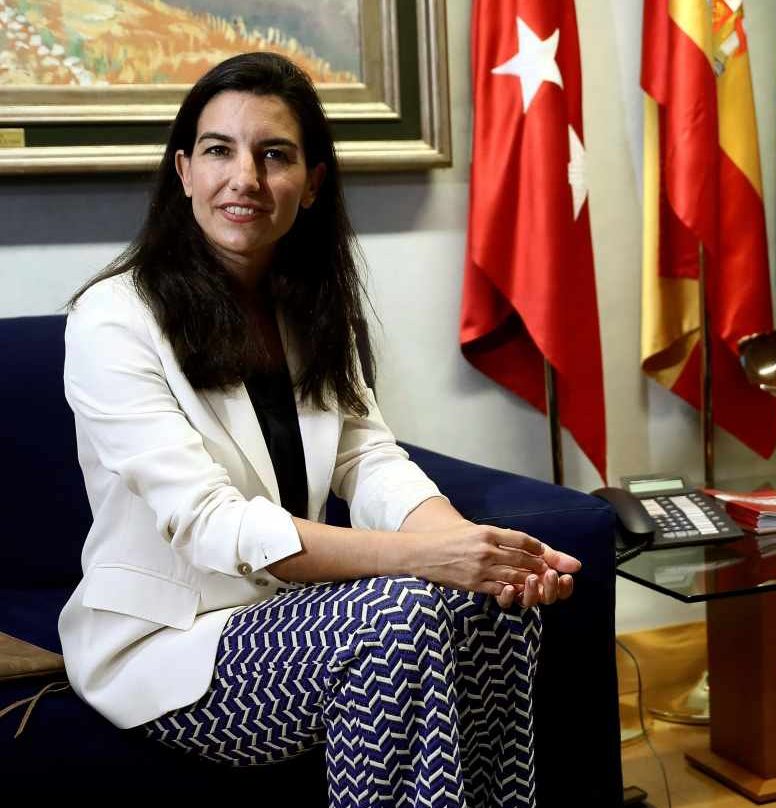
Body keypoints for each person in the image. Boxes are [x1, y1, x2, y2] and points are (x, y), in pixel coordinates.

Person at [59, 52, 576, 808]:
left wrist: (481, 557)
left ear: (312, 182)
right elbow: (211, 526)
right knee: (398, 617)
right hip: (173, 648)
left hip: (285, 616)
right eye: (218, 151)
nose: (246, 178)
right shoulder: (114, 318)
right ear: (183, 172)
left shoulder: (310, 308)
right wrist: (429, 557)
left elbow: (370, 461)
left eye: (274, 155)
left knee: (487, 609)